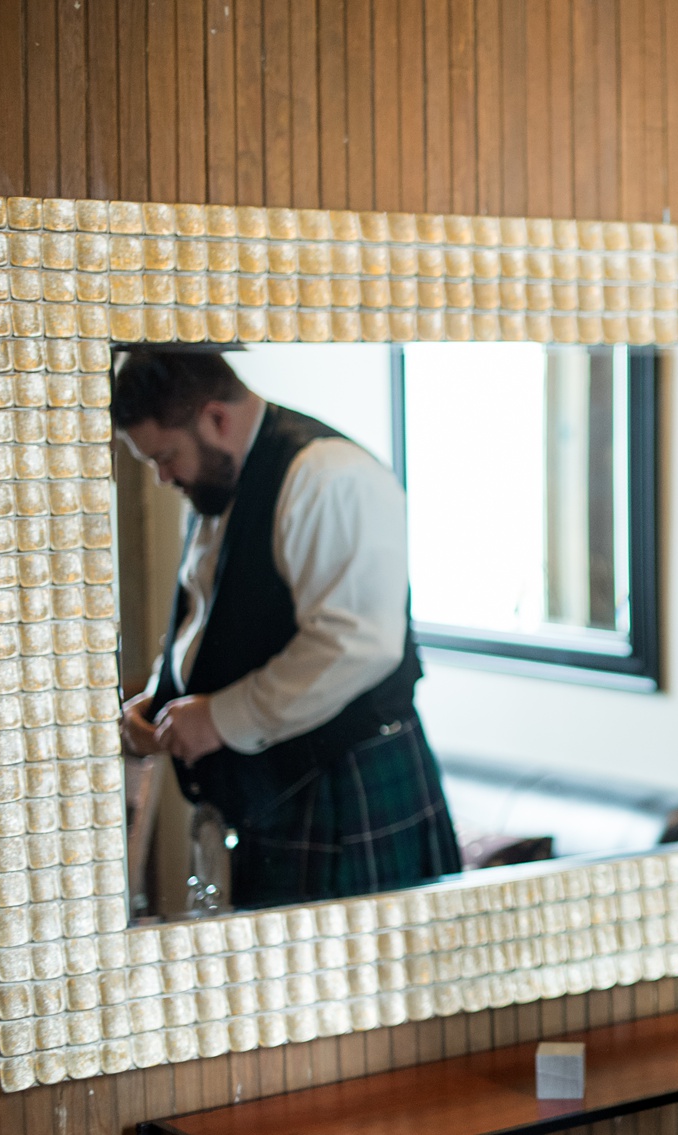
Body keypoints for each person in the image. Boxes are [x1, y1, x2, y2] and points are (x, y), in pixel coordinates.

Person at [114, 349, 460, 910]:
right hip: (272, 800)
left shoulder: (328, 478)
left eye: (166, 456)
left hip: (347, 789)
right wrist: (165, 696)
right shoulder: (219, 482)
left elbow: (354, 647)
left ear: (216, 419)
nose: (162, 476)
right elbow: (209, 612)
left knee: (358, 990)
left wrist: (220, 719)